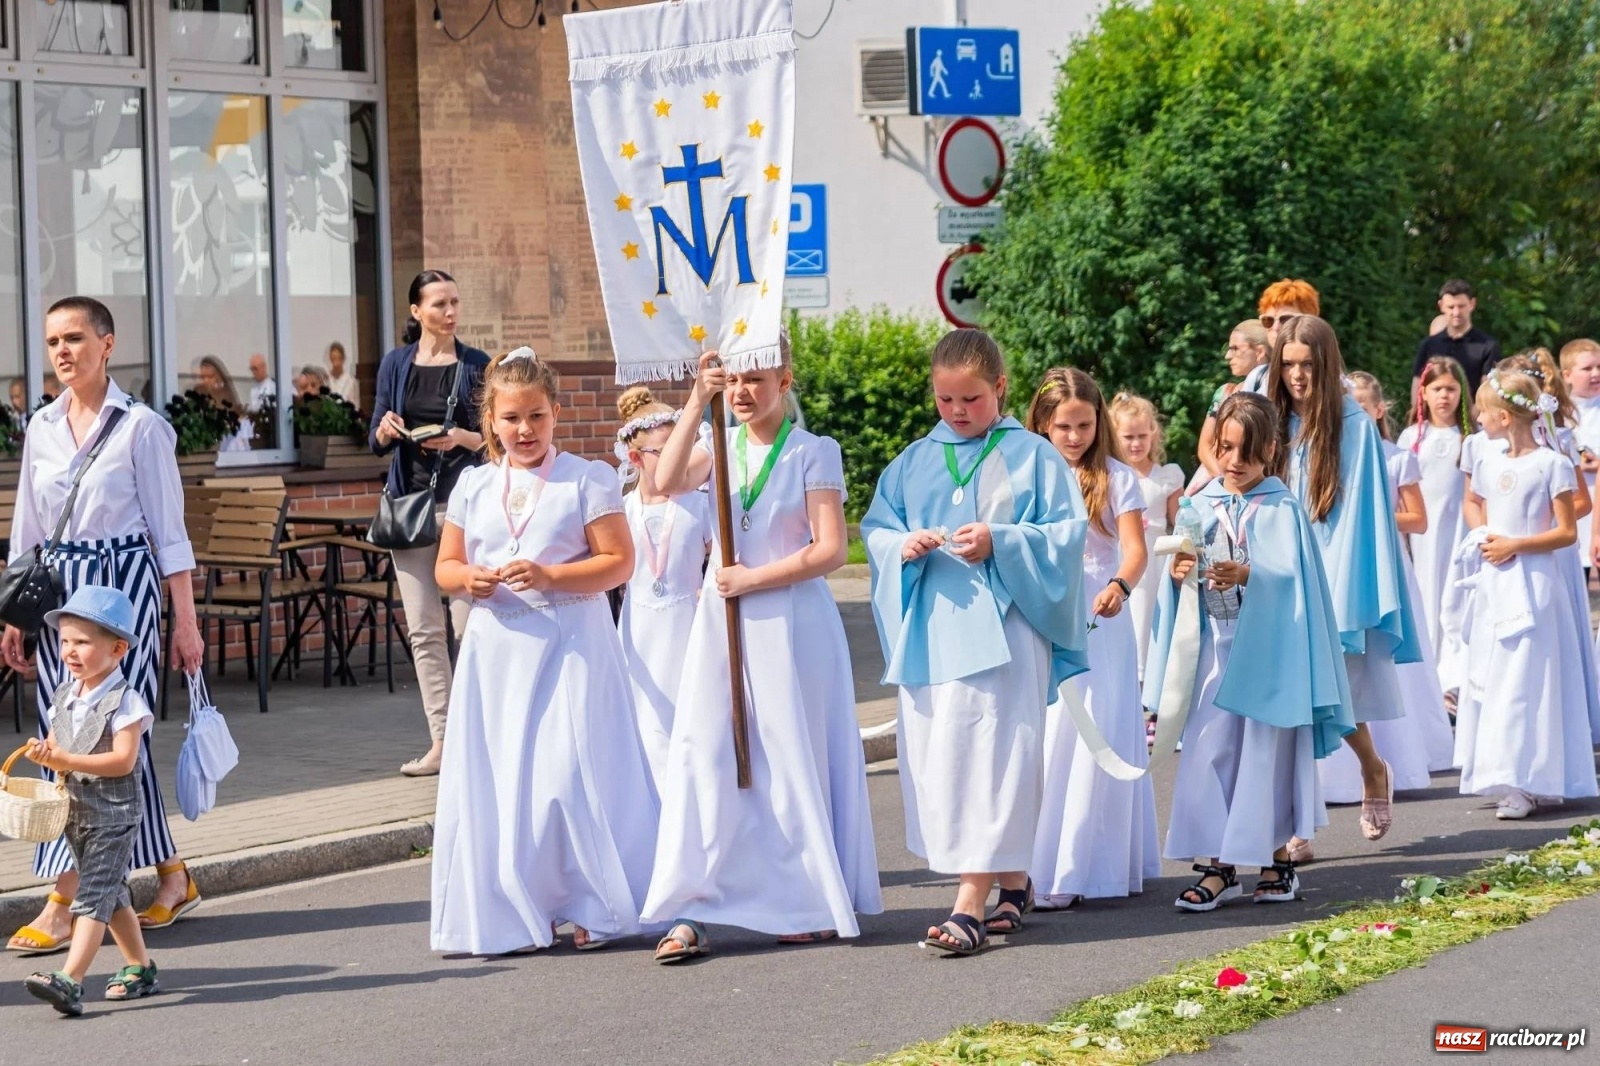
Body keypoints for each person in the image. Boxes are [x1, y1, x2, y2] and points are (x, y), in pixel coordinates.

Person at [642, 341, 881, 962]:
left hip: (790, 623)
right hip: (721, 627)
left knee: (786, 756)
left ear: (784, 379)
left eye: (756, 378)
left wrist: (752, 578)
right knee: (707, 753)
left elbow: (830, 550)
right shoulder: (717, 447)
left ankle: (802, 897)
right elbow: (664, 482)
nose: (743, 391)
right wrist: (698, 397)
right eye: (735, 381)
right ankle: (696, 903)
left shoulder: (813, 451)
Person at [862, 329, 1088, 955]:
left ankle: (969, 901)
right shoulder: (912, 460)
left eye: (971, 400)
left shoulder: (1035, 456)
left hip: (1007, 628)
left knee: (994, 756)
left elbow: (1066, 538)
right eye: (945, 401)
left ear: (1001, 388)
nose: (957, 413)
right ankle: (1012, 882)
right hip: (935, 629)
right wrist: (898, 549)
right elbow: (878, 527)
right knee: (944, 758)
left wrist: (1002, 540)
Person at [429, 348, 655, 954]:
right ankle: (516, 905)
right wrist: (467, 578)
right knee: (510, 780)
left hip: (571, 644)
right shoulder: (474, 484)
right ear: (491, 422)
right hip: (497, 651)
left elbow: (619, 563)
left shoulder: (587, 478)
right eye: (511, 419)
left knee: (567, 776)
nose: (524, 431)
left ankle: (590, 900)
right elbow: (445, 566)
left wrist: (553, 577)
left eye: (536, 417)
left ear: (556, 413)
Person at [3, 297, 206, 955]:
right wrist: (14, 616)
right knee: (61, 735)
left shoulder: (142, 427)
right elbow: (27, 532)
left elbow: (170, 534)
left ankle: (65, 898)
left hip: (124, 590)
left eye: (76, 338)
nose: (63, 351)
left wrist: (187, 624)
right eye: (54, 341)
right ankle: (171, 875)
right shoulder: (41, 427)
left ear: (107, 344)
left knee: (114, 734)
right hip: (60, 591)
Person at [1150, 393, 1355, 911]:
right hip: (1215, 652)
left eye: (1246, 451)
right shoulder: (1200, 504)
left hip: (1269, 654)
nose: (1234, 462)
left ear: (1269, 450)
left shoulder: (1282, 506)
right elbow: (1182, 567)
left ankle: (1276, 861)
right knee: (1209, 749)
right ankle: (1217, 865)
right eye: (1225, 449)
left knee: (1265, 755)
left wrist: (1249, 573)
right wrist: (1180, 574)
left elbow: (1296, 580)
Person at [1268, 315, 1423, 862]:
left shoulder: (1353, 425)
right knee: (1290, 705)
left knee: (1332, 699)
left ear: (1326, 364)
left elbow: (1360, 518)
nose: (1297, 376)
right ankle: (1298, 832)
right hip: (1278, 573)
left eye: (1307, 365)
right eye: (1287, 365)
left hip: (1331, 574)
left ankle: (1372, 767)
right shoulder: (1275, 419)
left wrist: (1334, 592)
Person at [1026, 368, 1159, 911]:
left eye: (1084, 425)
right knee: (1048, 735)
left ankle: (1082, 864)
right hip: (1043, 611)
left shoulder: (1117, 477)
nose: (1075, 436)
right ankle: (1033, 863)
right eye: (1063, 426)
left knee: (1092, 732)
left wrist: (1120, 585)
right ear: (1042, 424)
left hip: (1101, 617)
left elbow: (1134, 549)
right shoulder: (1026, 474)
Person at [1455, 367, 1599, 818]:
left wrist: (1516, 545)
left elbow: (1565, 532)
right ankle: (1509, 773)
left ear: (1505, 415)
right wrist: (1485, 539)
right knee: (1496, 678)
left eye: (1484, 410)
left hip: (1535, 582)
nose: (1478, 417)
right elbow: (1478, 506)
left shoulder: (1551, 463)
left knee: (1527, 682)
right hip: (1496, 580)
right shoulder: (1488, 460)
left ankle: (1526, 779)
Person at [370, 269, 489, 778]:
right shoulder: (396, 364)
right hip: (409, 507)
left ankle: (478, 736)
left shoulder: (476, 364)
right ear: (416, 311)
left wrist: (461, 439)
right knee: (424, 631)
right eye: (439, 303)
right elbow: (374, 434)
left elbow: (494, 438)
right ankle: (441, 741)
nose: (450, 311)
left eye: (455, 302)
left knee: (470, 627)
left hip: (462, 508)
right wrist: (385, 428)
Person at [20, 587, 161, 1014]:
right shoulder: (65, 694)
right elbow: (58, 740)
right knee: (113, 895)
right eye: (65, 641)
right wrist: (45, 751)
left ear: (117, 649)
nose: (70, 652)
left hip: (114, 816)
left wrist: (66, 758)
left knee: (94, 894)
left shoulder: (126, 702)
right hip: (76, 814)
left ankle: (70, 978)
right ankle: (140, 967)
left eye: (82, 642)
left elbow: (122, 761)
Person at [1317, 373, 1454, 801]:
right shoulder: (1326, 451)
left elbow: (1418, 519)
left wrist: (1369, 515)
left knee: (1380, 668)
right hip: (1335, 562)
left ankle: (1402, 755)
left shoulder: (1396, 458)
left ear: (1378, 410)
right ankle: (1333, 776)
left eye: (1362, 403)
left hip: (1383, 565)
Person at [613, 385, 712, 789]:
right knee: (646, 731)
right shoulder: (622, 510)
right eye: (663, 450)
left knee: (691, 730)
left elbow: (718, 555)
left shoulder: (697, 504)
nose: (677, 458)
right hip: (640, 633)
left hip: (688, 627)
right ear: (636, 458)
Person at [1397, 356, 1472, 697]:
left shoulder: (1470, 438)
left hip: (1459, 530)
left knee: (1454, 601)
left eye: (1451, 389)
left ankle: (1453, 679)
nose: (1445, 396)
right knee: (1425, 596)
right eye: (1437, 389)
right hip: (1422, 536)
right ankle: (1426, 679)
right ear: (1423, 393)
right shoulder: (1412, 437)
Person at [1111, 391, 1184, 678]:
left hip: (1155, 558)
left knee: (1149, 619)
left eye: (1142, 435)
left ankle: (1149, 684)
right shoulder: (1113, 475)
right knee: (1126, 616)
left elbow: (1176, 521)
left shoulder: (1168, 475)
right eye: (1128, 437)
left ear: (1153, 434)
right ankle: (1125, 677)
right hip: (1121, 554)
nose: (1136, 443)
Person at [1198, 320, 1270, 478]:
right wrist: (1226, 482)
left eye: (1235, 348)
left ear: (1259, 352)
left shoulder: (1278, 395)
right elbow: (1205, 446)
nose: (1227, 355)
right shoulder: (1225, 393)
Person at [1411, 280, 1502, 399]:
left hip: (1472, 415)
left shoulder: (1488, 346)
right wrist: (1420, 414)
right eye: (1451, 307)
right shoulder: (1428, 345)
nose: (1456, 312)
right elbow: (1418, 384)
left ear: (1472, 304)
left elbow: (1487, 389)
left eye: (1461, 306)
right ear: (1441, 306)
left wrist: (1471, 416)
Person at [1559, 338, 1600, 580]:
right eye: (1587, 368)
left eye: (1599, 367)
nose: (1595, 374)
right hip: (1578, 505)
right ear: (1567, 375)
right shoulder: (1559, 413)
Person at [1257, 278, 1321, 356]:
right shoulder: (1259, 368)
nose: (1276, 328)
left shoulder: (1327, 367)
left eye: (1286, 320)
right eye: (1268, 320)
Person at [326, 341, 359, 406]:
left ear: (343, 358)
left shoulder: (350, 381)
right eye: (333, 359)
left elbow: (353, 405)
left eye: (338, 359)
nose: (336, 363)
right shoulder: (325, 380)